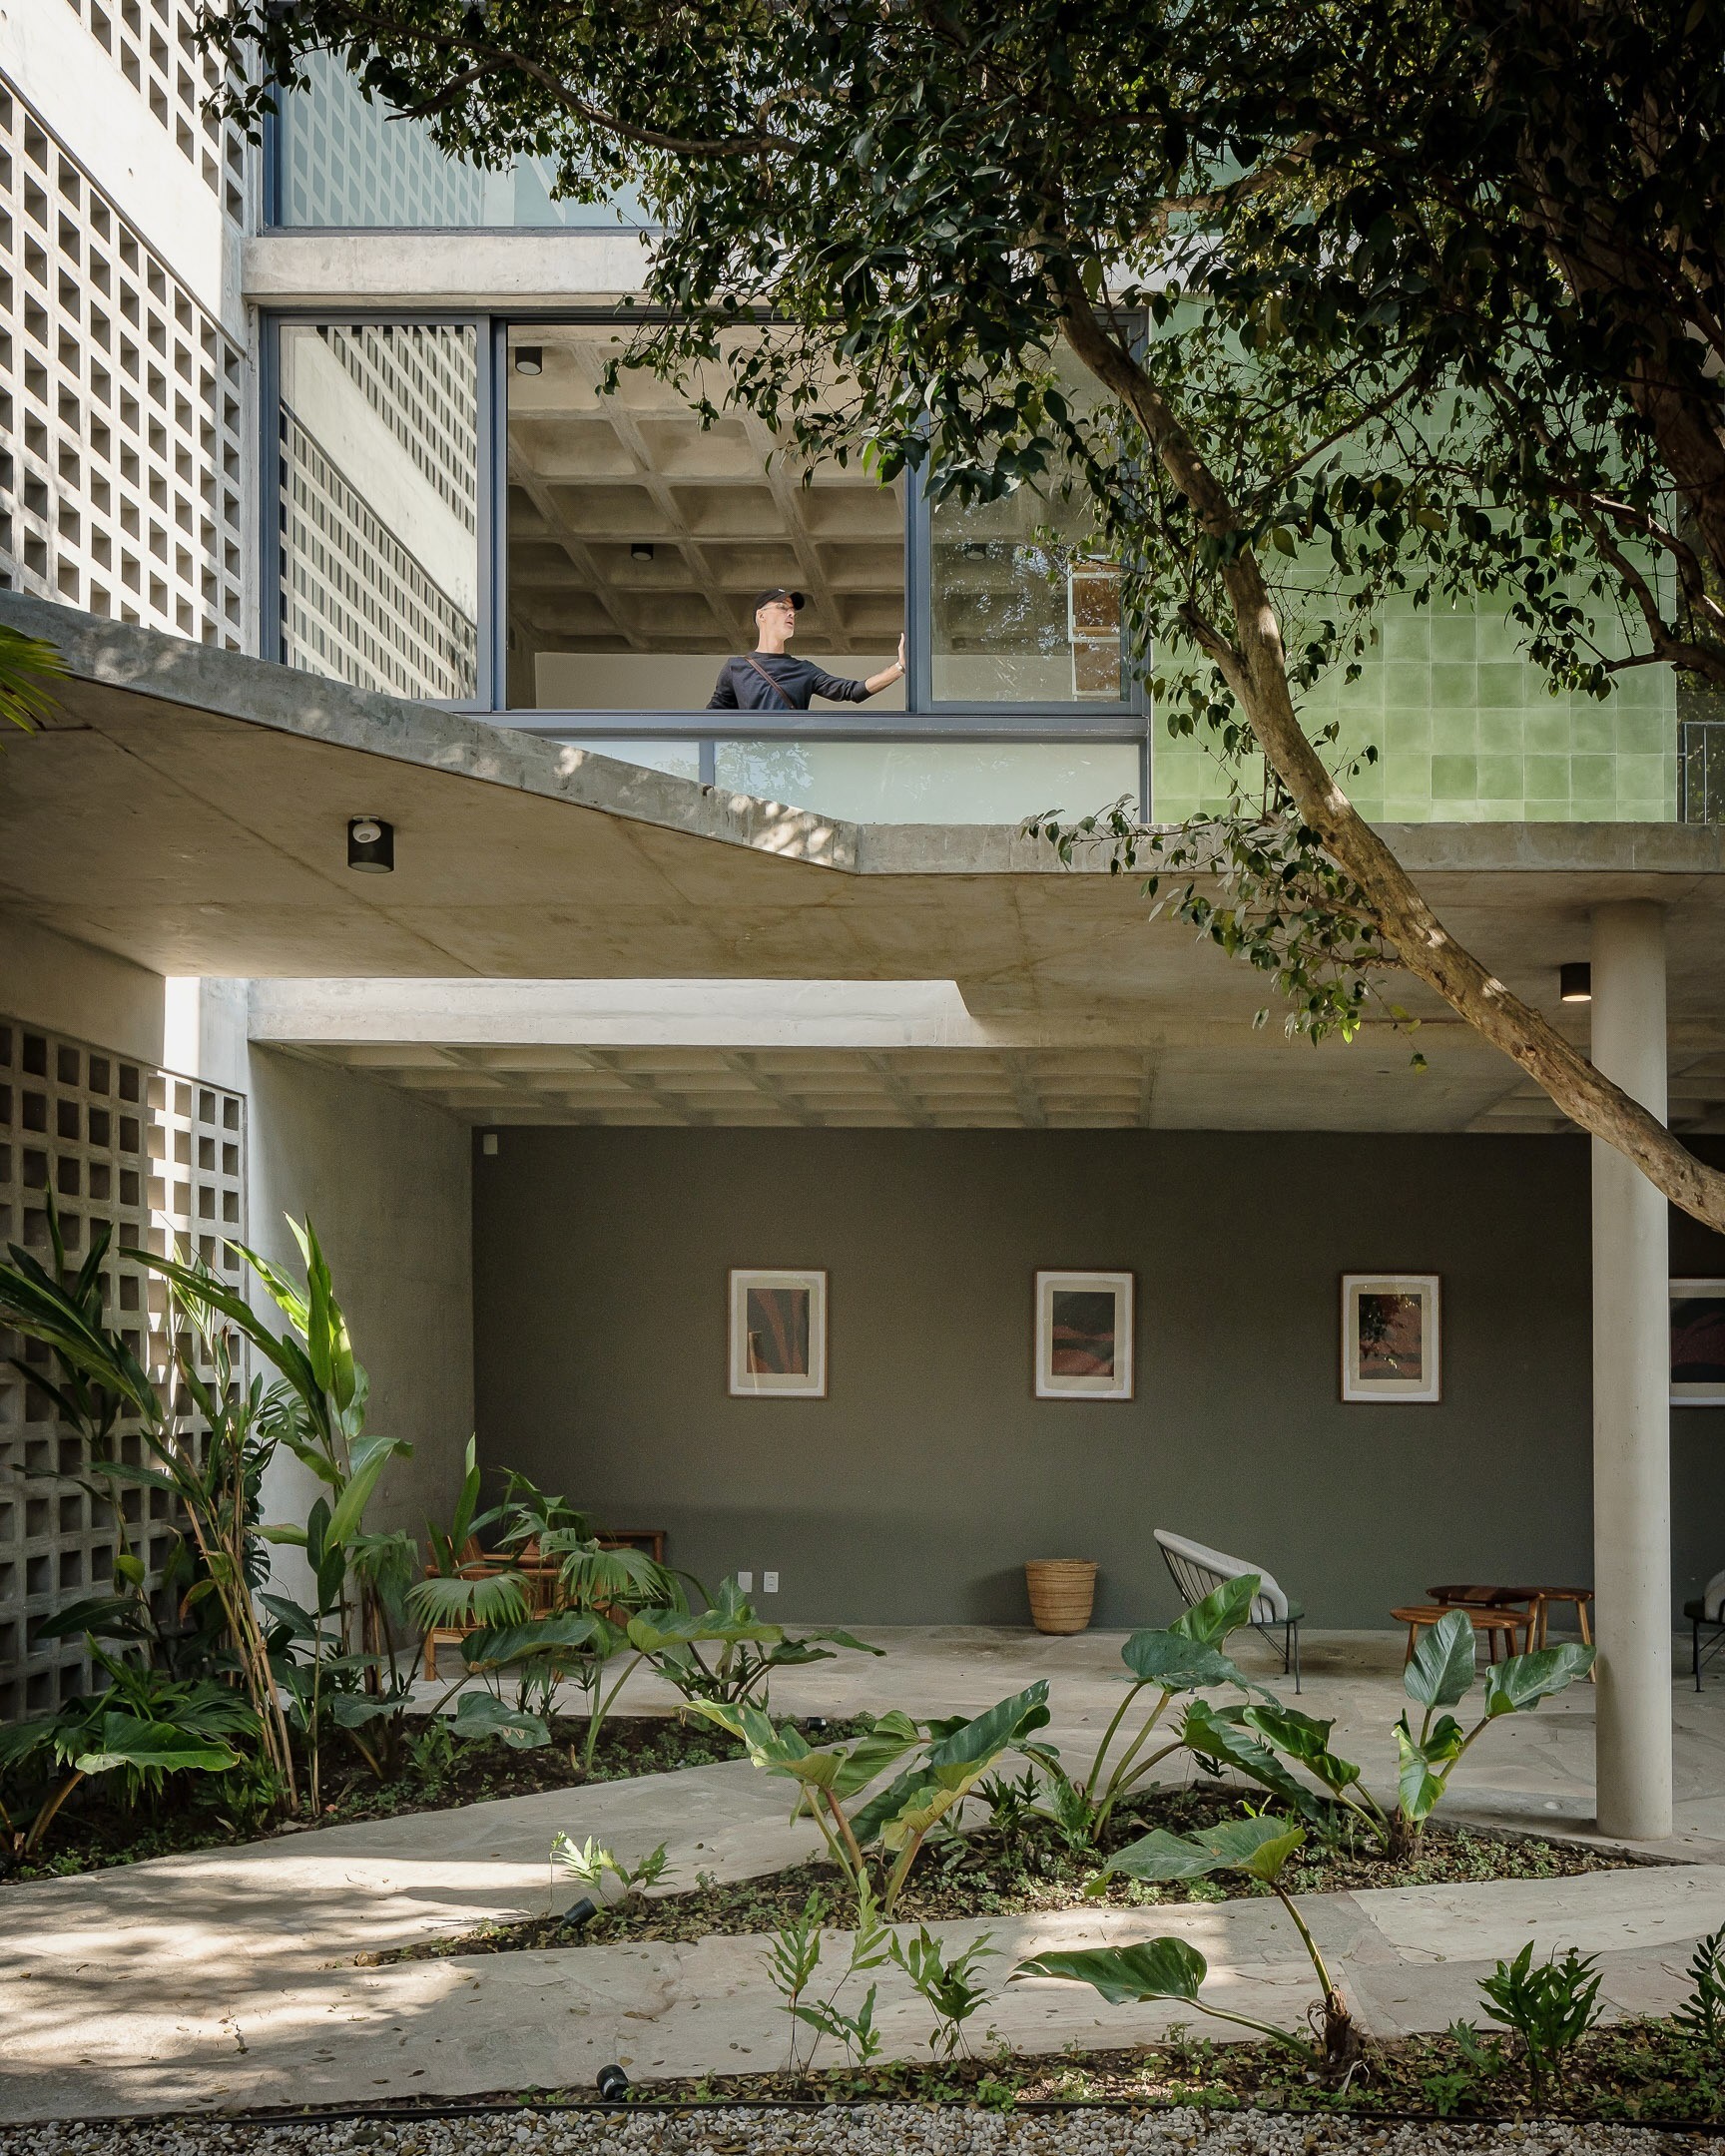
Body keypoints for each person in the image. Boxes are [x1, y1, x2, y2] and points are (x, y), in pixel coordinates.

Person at [707, 588, 906, 710]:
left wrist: (899, 668)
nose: (791, 614)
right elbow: (710, 721)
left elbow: (852, 691)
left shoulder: (804, 670)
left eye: (793, 612)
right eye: (783, 608)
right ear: (761, 615)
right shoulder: (736, 668)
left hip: (792, 764)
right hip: (751, 766)